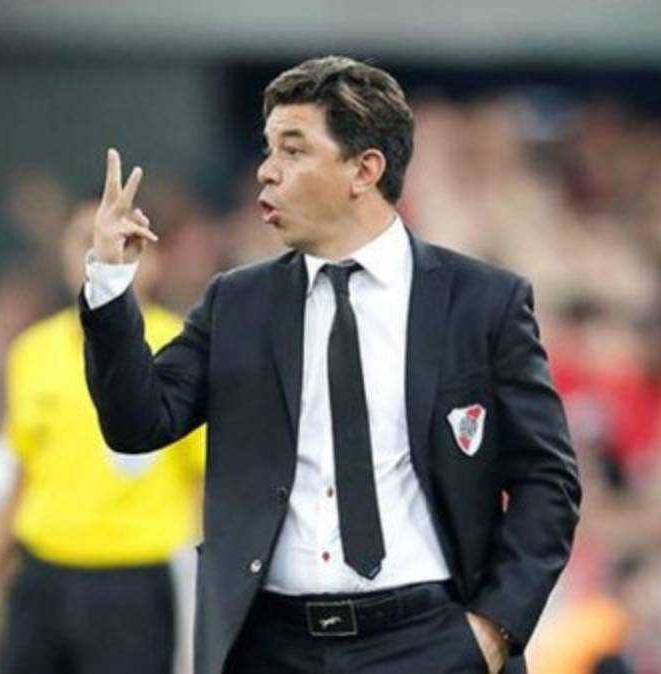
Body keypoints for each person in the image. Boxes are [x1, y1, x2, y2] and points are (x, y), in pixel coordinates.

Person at [80, 56, 581, 674]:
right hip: (271, 647)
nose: (266, 170)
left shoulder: (482, 301)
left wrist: (494, 628)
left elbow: (547, 480)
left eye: (293, 150)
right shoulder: (237, 302)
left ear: (364, 170)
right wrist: (110, 284)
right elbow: (138, 423)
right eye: (269, 149)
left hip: (429, 641)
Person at [0, 199, 205, 674]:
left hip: (136, 580)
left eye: (119, 241)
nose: (98, 253)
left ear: (155, 258)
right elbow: (22, 478)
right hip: (43, 573)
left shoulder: (183, 349)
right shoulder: (33, 350)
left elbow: (206, 483)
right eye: (84, 241)